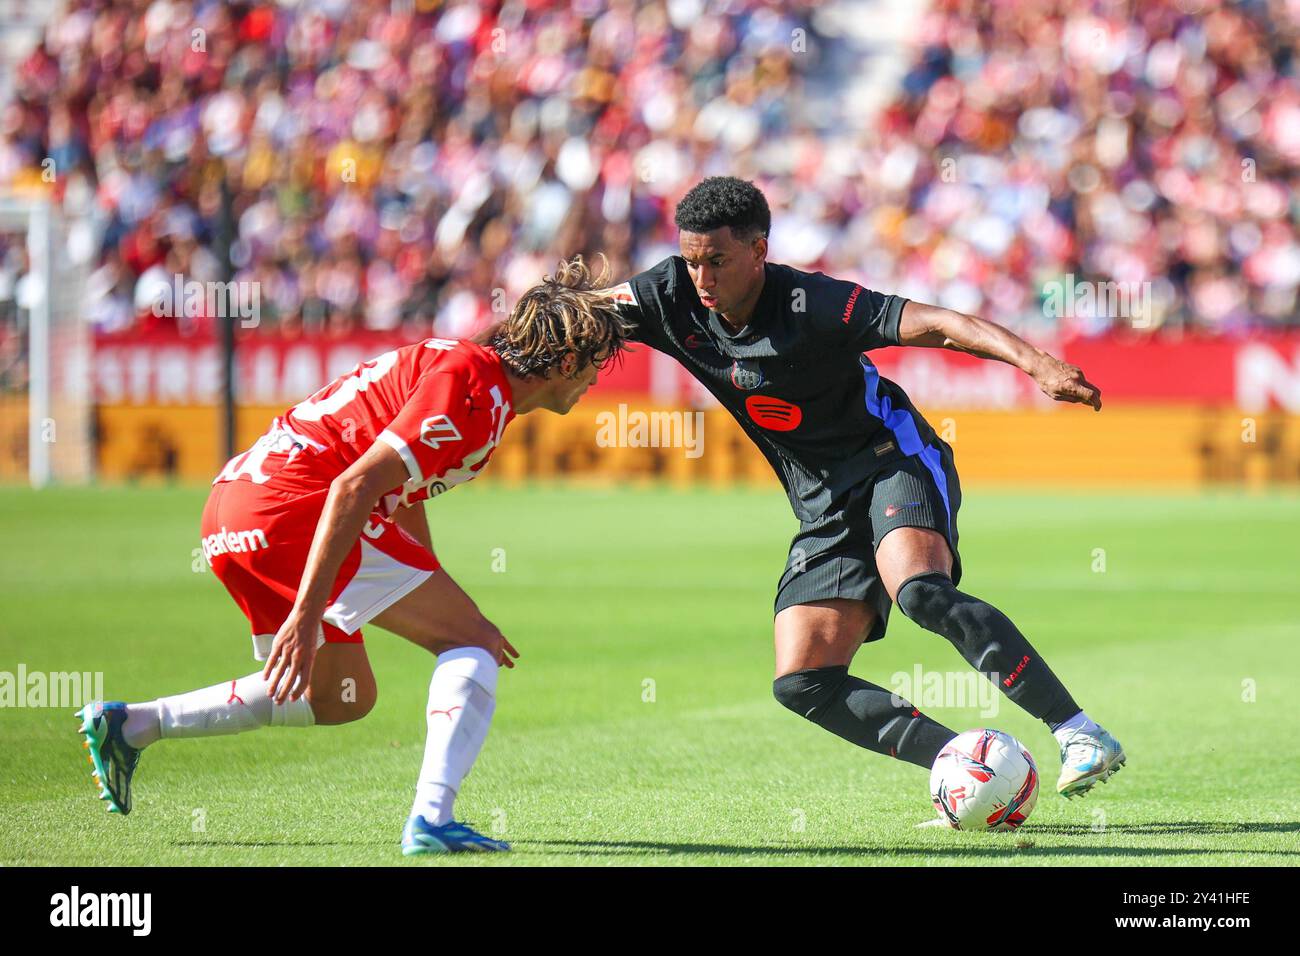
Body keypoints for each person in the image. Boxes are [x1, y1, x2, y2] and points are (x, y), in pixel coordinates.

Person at [596, 176, 1124, 811]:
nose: (701, 278)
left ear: (759, 250)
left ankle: (1080, 732)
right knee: (803, 681)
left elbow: (938, 324)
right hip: (820, 500)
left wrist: (1037, 362)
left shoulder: (812, 303)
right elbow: (574, 315)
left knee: (921, 592)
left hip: (890, 457)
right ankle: (974, 767)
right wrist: (482, 362)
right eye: (691, 259)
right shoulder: (668, 295)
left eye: (717, 261)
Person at [77, 257, 631, 853]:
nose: (597, 380)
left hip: (233, 510)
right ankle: (432, 820)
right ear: (568, 363)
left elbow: (398, 493)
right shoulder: (474, 390)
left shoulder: (468, 373)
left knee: (338, 695)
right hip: (290, 507)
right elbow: (353, 487)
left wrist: (438, 590)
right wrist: (313, 612)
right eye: (597, 367)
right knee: (472, 642)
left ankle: (134, 725)